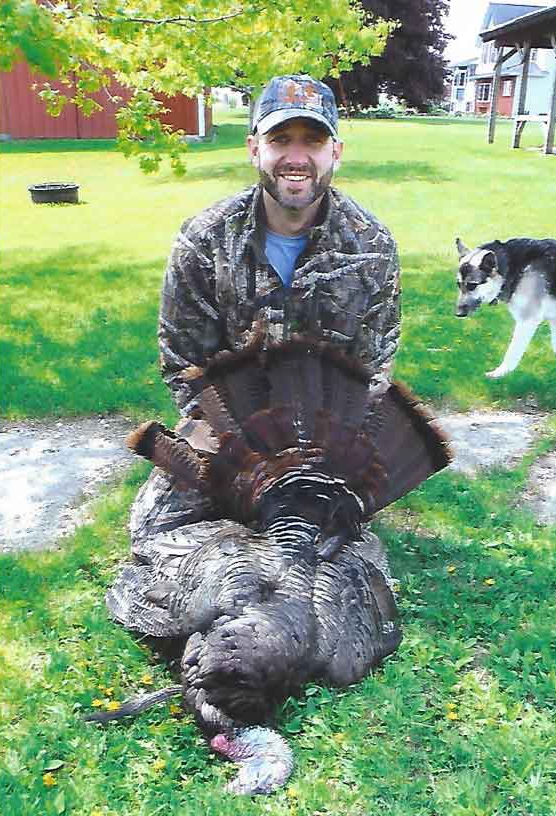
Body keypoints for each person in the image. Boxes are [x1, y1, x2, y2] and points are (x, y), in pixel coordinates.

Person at [130, 74, 401, 558]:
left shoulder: (373, 246)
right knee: (152, 538)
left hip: (326, 450)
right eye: (280, 140)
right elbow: (183, 367)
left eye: (312, 141)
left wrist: (325, 470)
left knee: (342, 565)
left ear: (335, 152)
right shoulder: (204, 240)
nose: (296, 158)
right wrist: (247, 467)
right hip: (234, 442)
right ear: (254, 147)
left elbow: (373, 372)